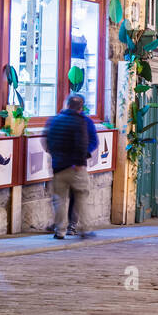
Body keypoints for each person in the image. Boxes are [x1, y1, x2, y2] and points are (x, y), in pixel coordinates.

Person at [45, 94, 96, 240]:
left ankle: (59, 231)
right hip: (75, 167)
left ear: (67, 105)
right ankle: (84, 228)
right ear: (81, 107)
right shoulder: (81, 122)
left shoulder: (54, 120)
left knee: (59, 199)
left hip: (58, 166)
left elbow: (48, 141)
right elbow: (82, 143)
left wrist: (56, 158)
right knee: (81, 196)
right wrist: (80, 163)